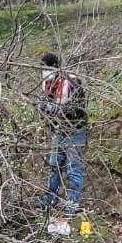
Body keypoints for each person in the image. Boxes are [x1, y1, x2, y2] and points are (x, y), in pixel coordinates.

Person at [37, 51, 88, 214]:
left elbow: (75, 108)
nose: (45, 72)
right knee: (55, 165)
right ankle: (49, 198)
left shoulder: (71, 81)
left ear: (55, 67)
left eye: (47, 68)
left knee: (74, 167)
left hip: (75, 129)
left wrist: (55, 110)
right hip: (58, 131)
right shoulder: (47, 83)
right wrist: (45, 108)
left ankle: (72, 204)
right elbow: (42, 103)